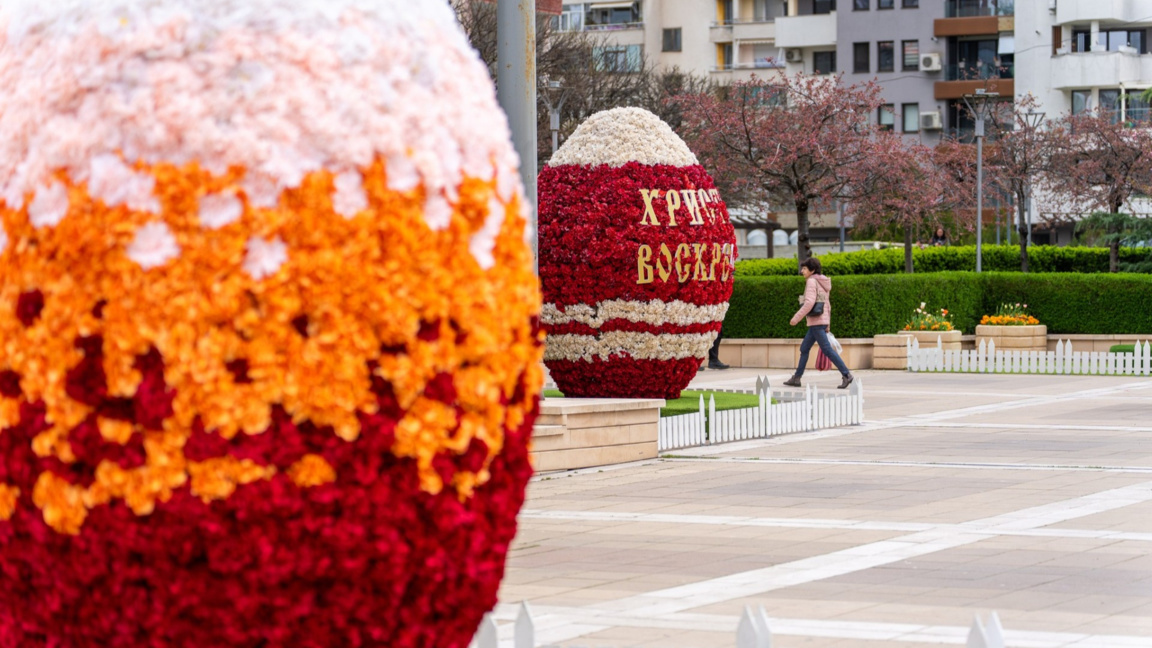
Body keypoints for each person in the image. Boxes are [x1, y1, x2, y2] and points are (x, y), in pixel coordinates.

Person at [783, 258, 853, 389]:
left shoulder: (811, 281)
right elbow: (828, 305)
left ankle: (846, 374)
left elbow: (809, 303)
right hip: (820, 321)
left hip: (816, 322)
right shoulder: (823, 281)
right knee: (804, 348)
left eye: (804, 268)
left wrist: (796, 318)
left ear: (812, 270)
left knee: (827, 349)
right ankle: (796, 378)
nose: (801, 271)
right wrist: (828, 323)